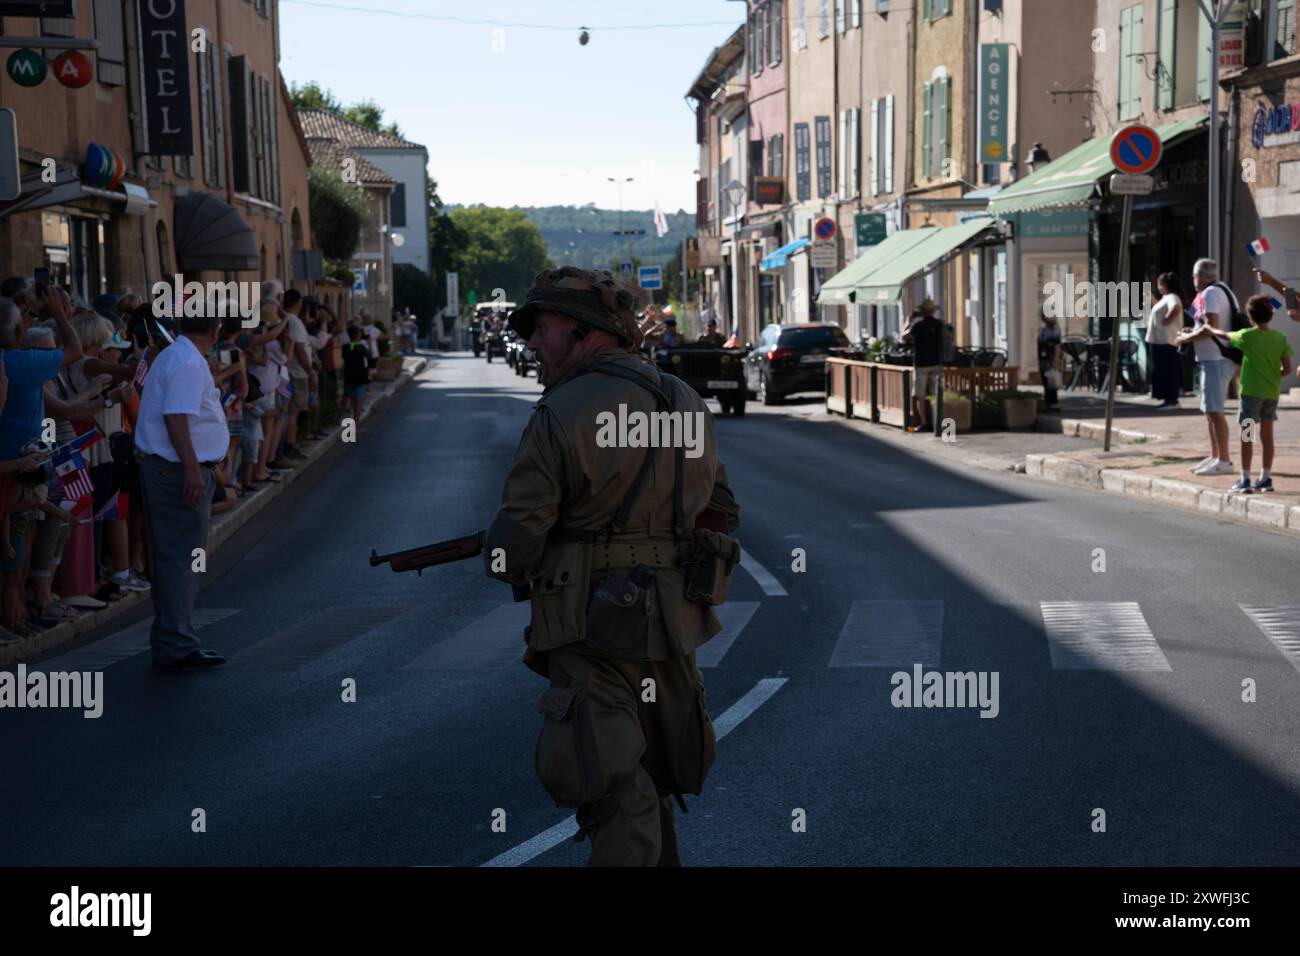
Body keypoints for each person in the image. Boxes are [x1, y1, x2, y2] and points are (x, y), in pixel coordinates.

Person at [487, 266, 741, 866]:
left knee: (613, 787)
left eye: (540, 328)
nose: (531, 344)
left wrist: (505, 555)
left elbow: (515, 543)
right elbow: (722, 509)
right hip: (673, 623)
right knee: (649, 776)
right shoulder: (682, 399)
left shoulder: (560, 411)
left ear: (582, 331)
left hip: (590, 627)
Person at [133, 308, 229, 672]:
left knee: (173, 557)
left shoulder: (179, 355)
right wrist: (192, 469)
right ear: (216, 331)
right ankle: (177, 643)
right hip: (175, 472)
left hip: (168, 470)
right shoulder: (187, 361)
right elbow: (177, 416)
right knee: (181, 559)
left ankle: (171, 637)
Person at [1206, 295, 1293, 493]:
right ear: (1270, 315)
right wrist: (1271, 375)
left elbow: (1225, 335)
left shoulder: (1247, 336)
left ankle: (1245, 478)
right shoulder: (1280, 338)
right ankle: (1265, 477)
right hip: (1271, 394)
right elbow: (1286, 369)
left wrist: (1210, 329)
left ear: (1251, 318)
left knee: (1247, 437)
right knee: (1267, 437)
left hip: (1250, 395)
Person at [1175, 260, 1236, 476]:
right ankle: (1215, 455)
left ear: (1199, 276)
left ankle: (1225, 460)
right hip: (1212, 358)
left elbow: (1212, 327)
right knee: (1210, 410)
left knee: (1215, 411)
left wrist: (1187, 337)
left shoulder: (1211, 293)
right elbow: (1204, 324)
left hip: (1216, 359)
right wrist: (1191, 330)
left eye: (1193, 276)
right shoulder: (1220, 290)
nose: (1193, 281)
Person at [1145, 272, 1186, 409]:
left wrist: (1167, 319)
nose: (1158, 287)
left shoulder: (1172, 297)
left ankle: (1172, 400)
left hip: (1166, 340)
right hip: (1160, 341)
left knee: (1168, 370)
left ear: (1164, 285)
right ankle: (1168, 399)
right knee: (1162, 370)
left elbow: (1176, 307)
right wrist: (1153, 301)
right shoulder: (1166, 298)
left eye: (1159, 284)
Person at [902, 298, 943, 431]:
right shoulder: (939, 325)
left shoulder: (918, 326)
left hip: (921, 364)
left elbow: (904, 336)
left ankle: (924, 422)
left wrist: (909, 319)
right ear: (932, 311)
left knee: (920, 395)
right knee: (936, 393)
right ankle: (937, 421)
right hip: (937, 362)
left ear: (923, 312)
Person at [341, 325, 370, 429]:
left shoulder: (345, 347)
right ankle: (355, 426)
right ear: (358, 335)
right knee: (357, 404)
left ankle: (340, 419)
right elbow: (366, 364)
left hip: (348, 377)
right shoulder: (362, 348)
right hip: (360, 379)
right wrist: (368, 380)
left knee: (345, 398)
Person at [1037, 308, 1062, 411]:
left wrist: (1055, 360)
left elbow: (1057, 345)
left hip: (1050, 360)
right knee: (1046, 381)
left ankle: (1053, 404)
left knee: (1051, 382)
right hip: (1043, 359)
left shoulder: (1054, 329)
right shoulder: (1045, 329)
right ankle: (1048, 403)